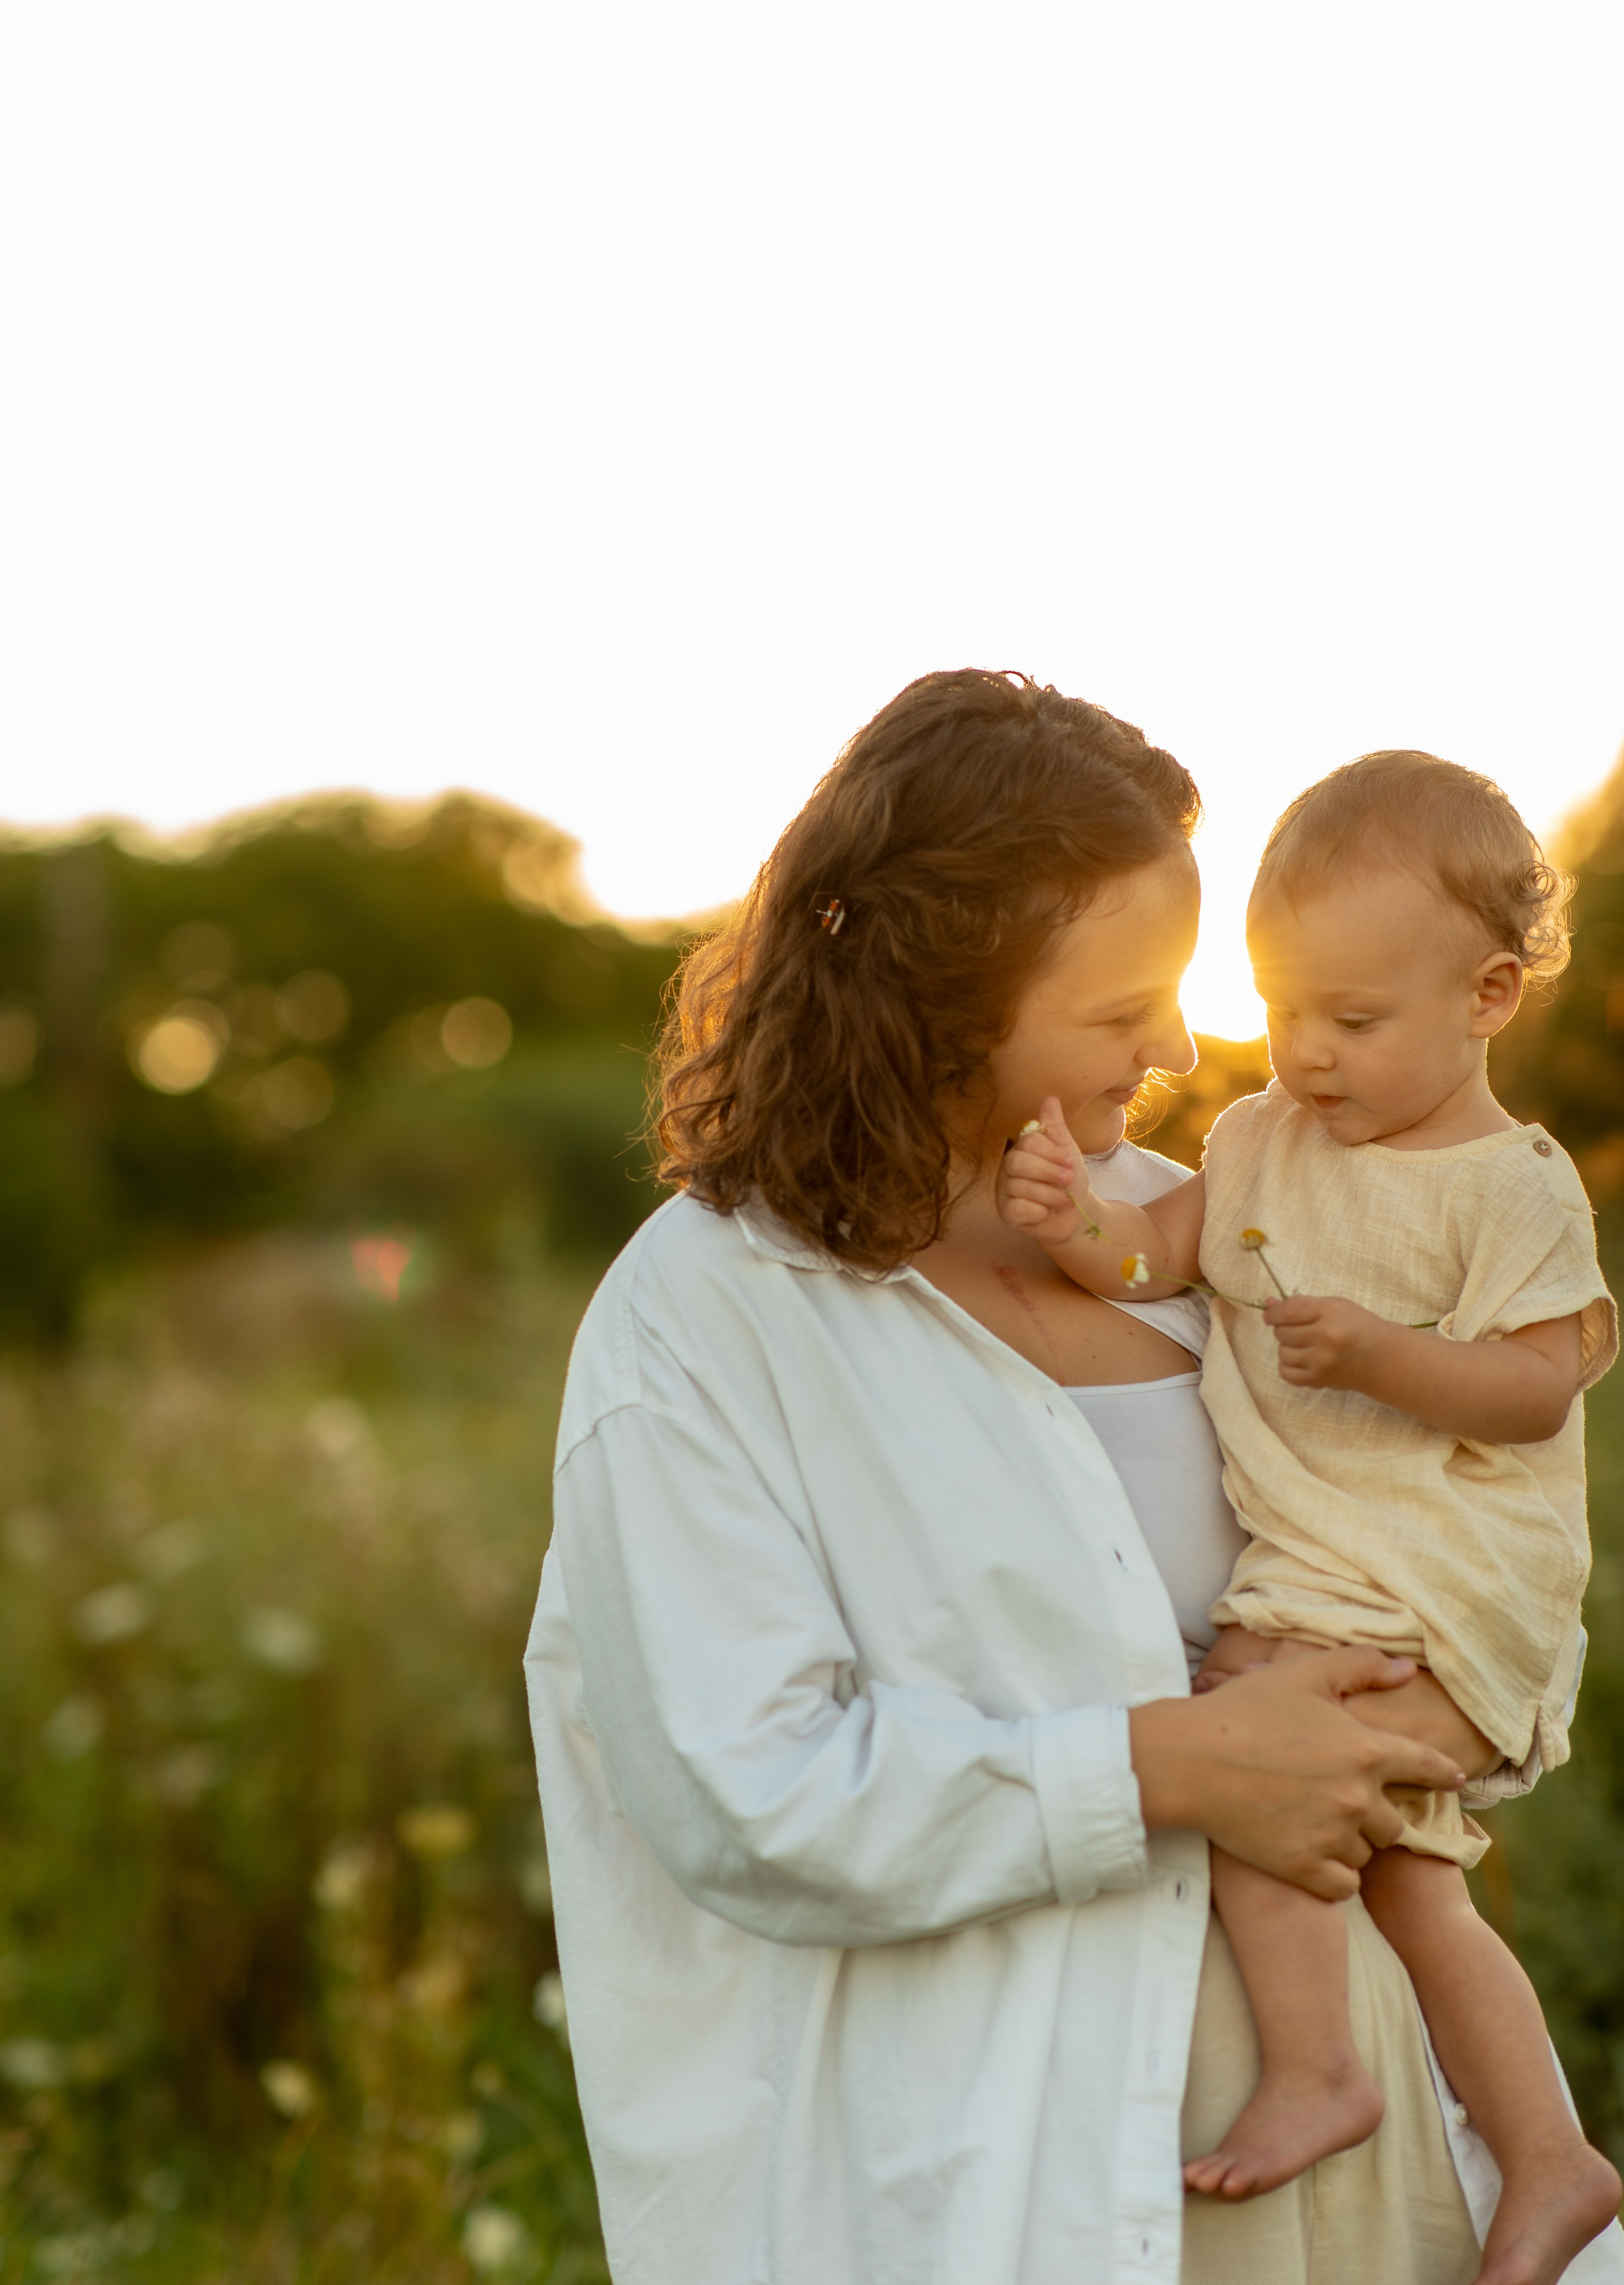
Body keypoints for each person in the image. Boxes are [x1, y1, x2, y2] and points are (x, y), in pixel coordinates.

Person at [524, 673, 1621, 2285]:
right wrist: (1170, 1766)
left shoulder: (1210, 1225)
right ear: (936, 998)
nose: (1181, 1049)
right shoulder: (707, 1319)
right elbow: (741, 1794)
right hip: (1004, 2194)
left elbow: (1466, 1529)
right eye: (1120, 1015)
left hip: (1377, 2153)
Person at [997, 750, 1621, 2284]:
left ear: (1483, 997)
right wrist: (1076, 1218)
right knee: (1406, 1877)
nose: (1306, 1056)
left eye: (1351, 1021)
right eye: (1281, 1013)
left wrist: (1384, 1358)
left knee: (1256, 1753)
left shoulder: (1509, 1190)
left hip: (1447, 1580)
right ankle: (1548, 2161)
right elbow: (1154, 1254)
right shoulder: (1262, 1137)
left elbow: (1537, 1388)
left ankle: (1318, 2070)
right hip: (1324, 1574)